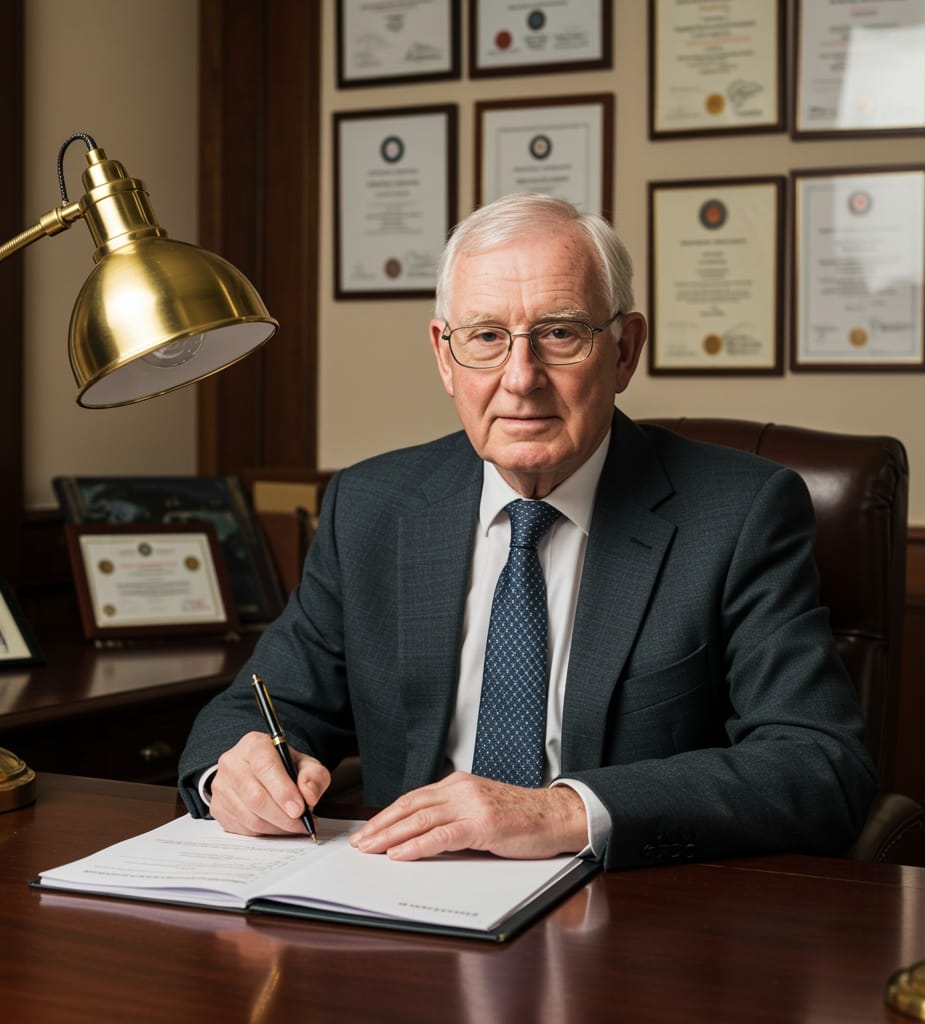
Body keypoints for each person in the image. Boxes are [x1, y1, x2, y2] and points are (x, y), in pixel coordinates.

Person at [178, 193, 876, 870]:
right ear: (444, 356)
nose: (520, 378)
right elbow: (259, 707)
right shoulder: (373, 507)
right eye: (485, 337)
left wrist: (559, 813)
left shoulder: (738, 514)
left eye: (560, 333)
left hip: (630, 921)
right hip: (402, 910)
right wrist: (237, 772)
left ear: (625, 350)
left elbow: (816, 763)